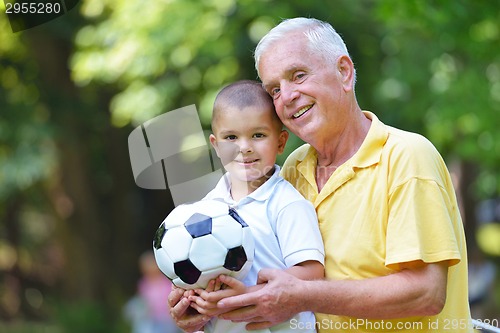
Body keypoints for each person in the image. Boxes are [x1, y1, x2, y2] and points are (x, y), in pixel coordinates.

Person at [169, 17, 473, 333]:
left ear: (344, 71)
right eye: (274, 89)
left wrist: (303, 296)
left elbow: (427, 293)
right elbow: (261, 279)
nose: (286, 97)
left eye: (298, 76)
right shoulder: (291, 170)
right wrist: (199, 299)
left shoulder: (406, 157)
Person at [180, 80, 325, 333]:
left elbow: (312, 273)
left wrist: (248, 295)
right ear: (216, 145)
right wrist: (191, 304)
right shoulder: (204, 213)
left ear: (280, 142)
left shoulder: (288, 204)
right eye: (231, 137)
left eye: (258, 135)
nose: (244, 147)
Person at [123, 251, 182, 333]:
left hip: (167, 318)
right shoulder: (143, 283)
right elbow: (143, 301)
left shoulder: (166, 282)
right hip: (151, 318)